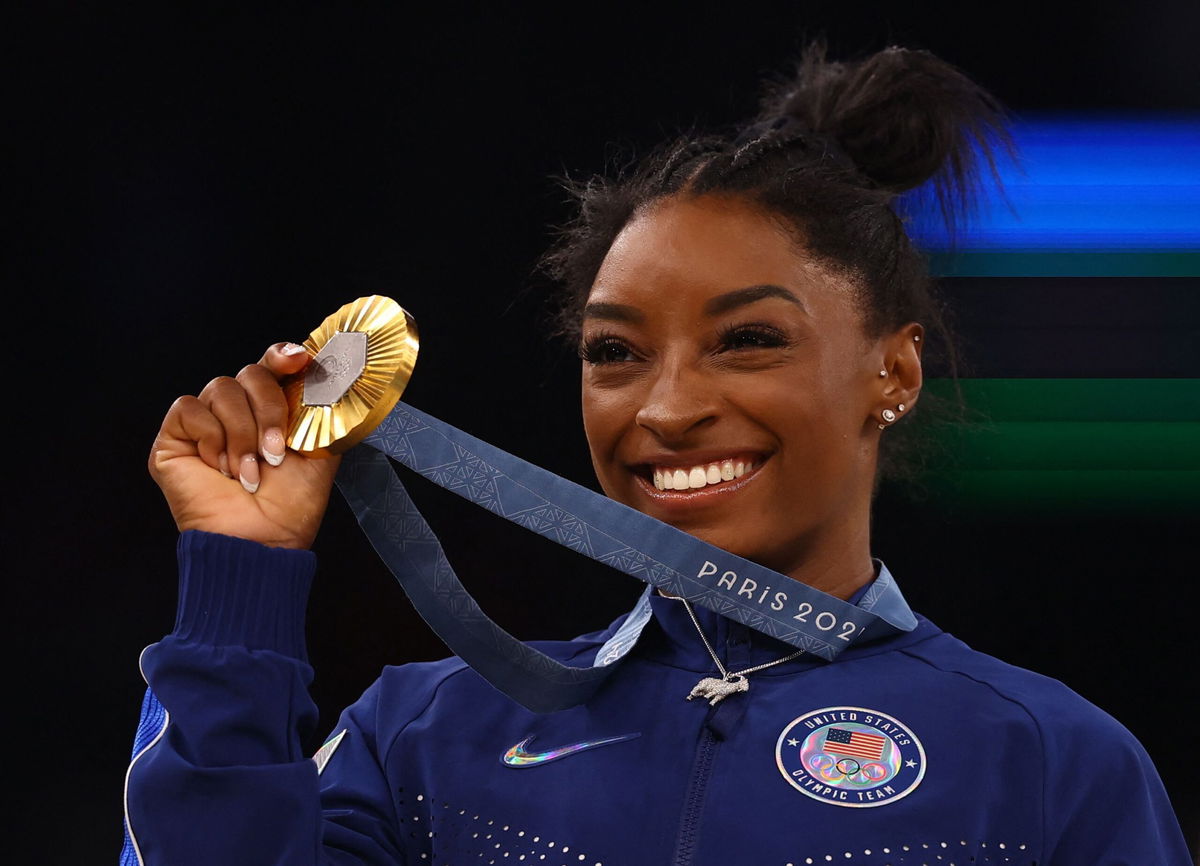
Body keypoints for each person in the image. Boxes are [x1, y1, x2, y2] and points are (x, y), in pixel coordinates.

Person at [120, 43, 1191, 865]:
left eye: (749, 339)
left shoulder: (1052, 764)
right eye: (617, 352)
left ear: (893, 372)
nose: (668, 408)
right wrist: (240, 577)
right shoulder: (425, 736)